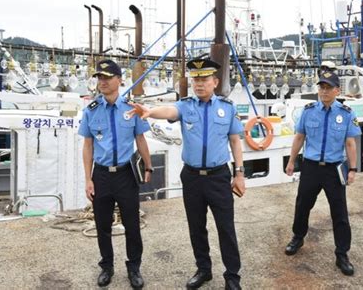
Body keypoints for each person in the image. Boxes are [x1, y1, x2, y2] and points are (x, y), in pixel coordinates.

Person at [128, 58, 245, 290]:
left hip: (219, 176)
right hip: (191, 177)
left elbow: (235, 141)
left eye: (203, 79)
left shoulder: (227, 108)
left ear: (215, 81)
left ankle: (232, 276)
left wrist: (239, 173)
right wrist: (150, 111)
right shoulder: (186, 105)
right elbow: (169, 110)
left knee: (226, 228)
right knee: (196, 226)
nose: (199, 84)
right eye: (195, 80)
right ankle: (204, 269)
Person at [78, 59, 153, 289]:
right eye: (99, 78)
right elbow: (88, 145)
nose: (102, 82)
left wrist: (148, 167)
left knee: (132, 224)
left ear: (119, 80)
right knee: (102, 225)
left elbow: (140, 139)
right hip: (101, 176)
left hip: (125, 175)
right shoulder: (90, 110)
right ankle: (107, 267)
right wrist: (88, 179)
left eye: (107, 77)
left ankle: (134, 268)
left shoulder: (131, 108)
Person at [285, 71, 361, 276]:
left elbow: (350, 143)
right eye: (321, 87)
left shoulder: (346, 113)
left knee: (339, 212)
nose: (324, 91)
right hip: (310, 167)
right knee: (303, 205)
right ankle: (298, 237)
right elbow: (299, 138)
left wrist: (352, 169)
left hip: (334, 169)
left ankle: (342, 254)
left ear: (337, 90)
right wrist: (291, 162)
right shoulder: (308, 111)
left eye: (328, 88)